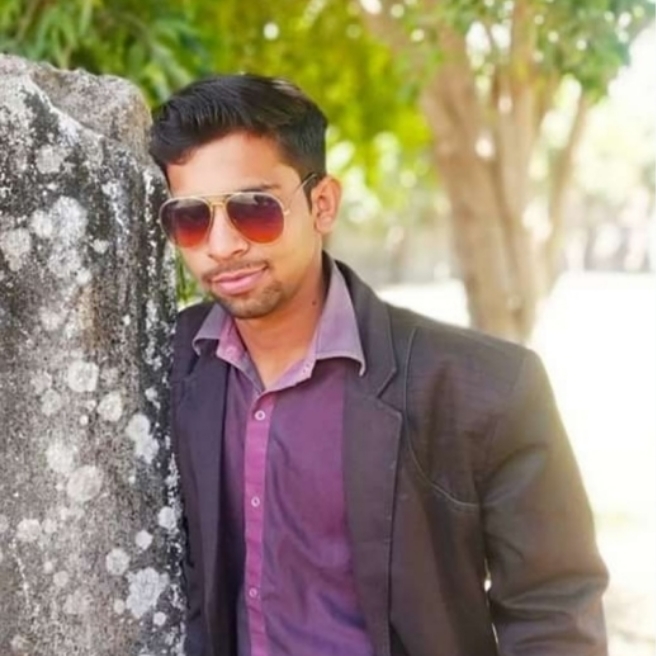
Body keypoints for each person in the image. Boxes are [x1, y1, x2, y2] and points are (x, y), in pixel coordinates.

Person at [149, 73, 608, 656]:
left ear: (322, 204)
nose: (221, 245)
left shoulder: (484, 390)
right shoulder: (172, 364)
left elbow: (554, 612)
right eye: (191, 218)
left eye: (253, 210)